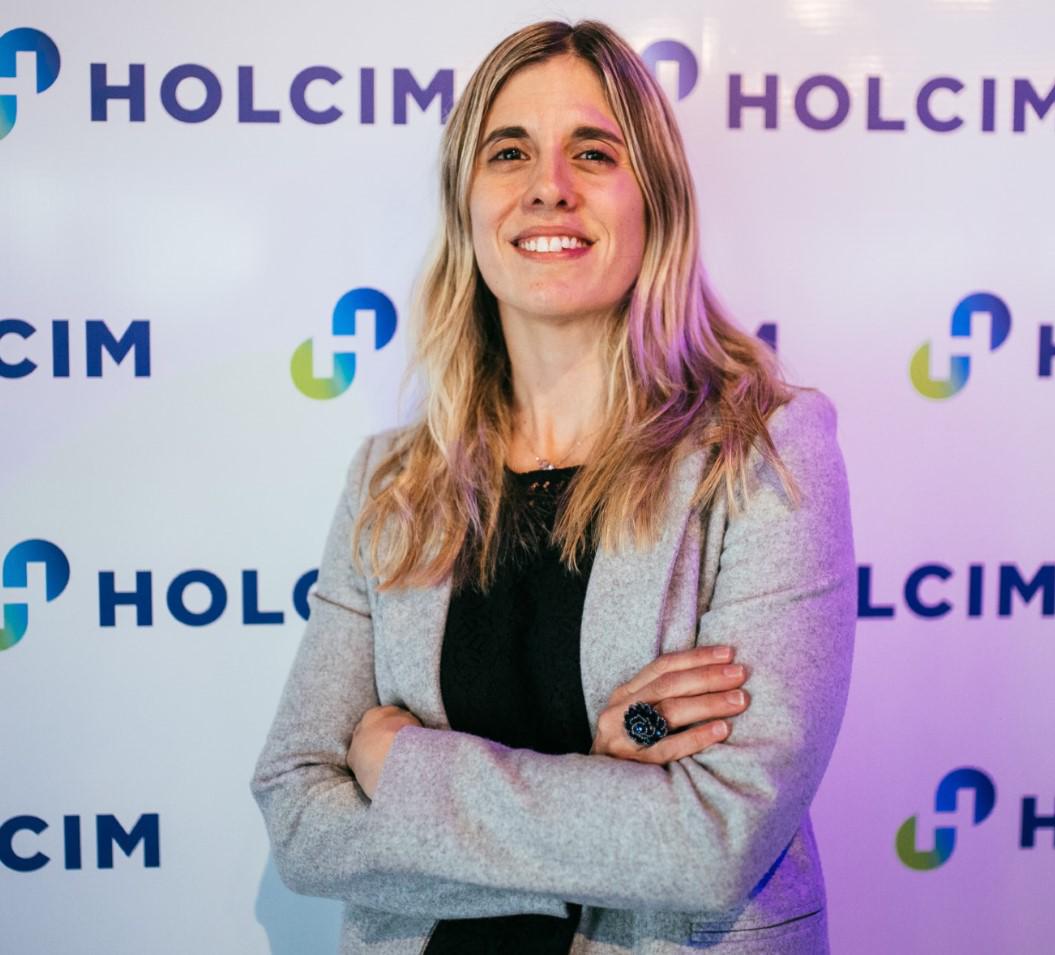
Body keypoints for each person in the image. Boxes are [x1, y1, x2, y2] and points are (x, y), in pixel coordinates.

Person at [251, 18, 855, 955]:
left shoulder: (764, 452)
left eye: (593, 152)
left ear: (656, 201)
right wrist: (604, 788)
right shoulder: (393, 481)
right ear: (467, 205)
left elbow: (710, 845)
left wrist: (402, 767)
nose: (549, 186)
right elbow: (299, 816)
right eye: (509, 152)